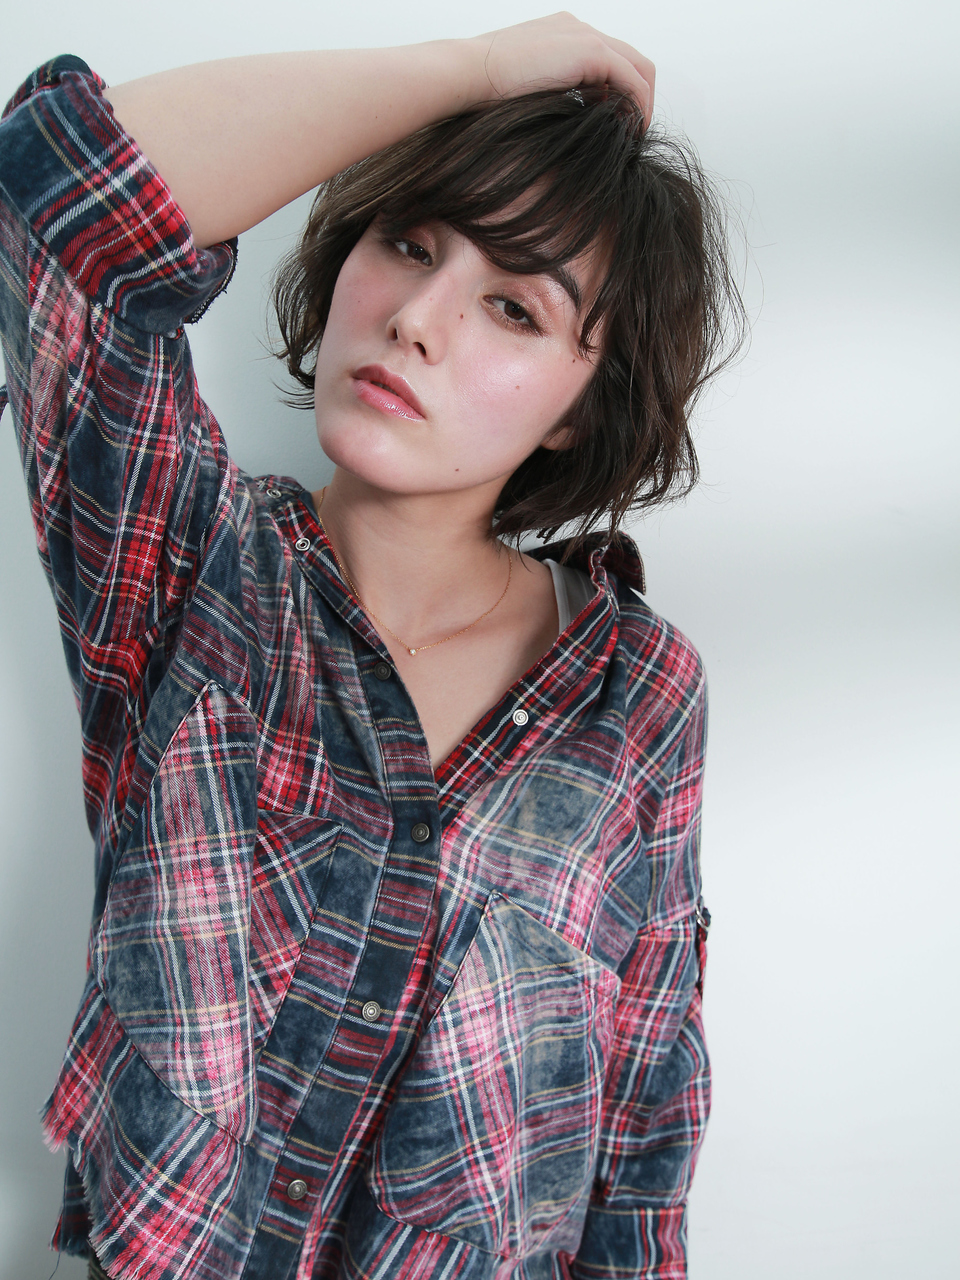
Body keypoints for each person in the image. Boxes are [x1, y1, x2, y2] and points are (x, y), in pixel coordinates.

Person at [0, 14, 742, 1279]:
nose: (418, 320)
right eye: (410, 243)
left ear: (582, 403)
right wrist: (469, 71)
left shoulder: (638, 690)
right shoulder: (192, 562)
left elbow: (641, 1137)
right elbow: (51, 192)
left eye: (513, 306)